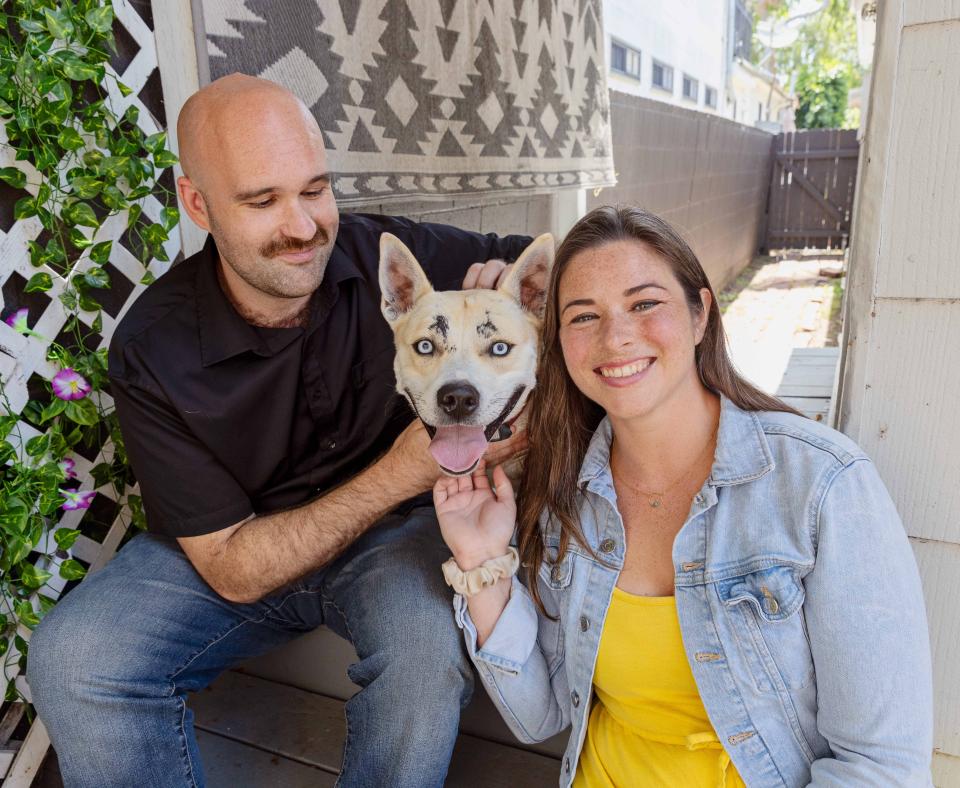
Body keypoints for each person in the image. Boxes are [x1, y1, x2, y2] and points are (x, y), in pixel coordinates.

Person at [26, 74, 530, 787]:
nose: (301, 226)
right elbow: (231, 568)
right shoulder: (153, 347)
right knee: (74, 658)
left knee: (423, 648)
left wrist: (516, 291)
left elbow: (579, 272)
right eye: (262, 200)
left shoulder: (384, 256)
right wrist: (403, 471)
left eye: (314, 189)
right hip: (238, 546)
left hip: (395, 537)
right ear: (196, 203)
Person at [433, 205, 933, 787]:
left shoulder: (823, 485)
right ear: (559, 344)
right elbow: (539, 714)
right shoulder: (564, 490)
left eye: (645, 304)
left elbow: (880, 768)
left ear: (700, 314)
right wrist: (483, 563)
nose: (616, 337)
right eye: (582, 316)